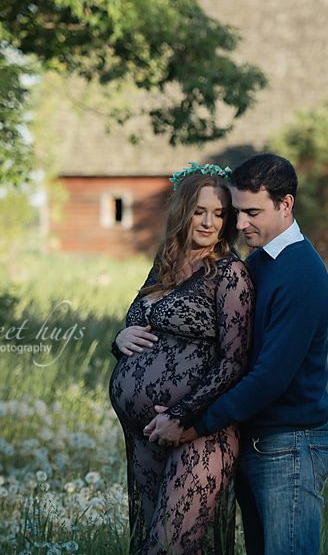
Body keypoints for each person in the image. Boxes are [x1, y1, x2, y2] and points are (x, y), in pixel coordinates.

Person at [144, 153, 328, 555]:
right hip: (255, 438)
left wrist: (193, 425)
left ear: (285, 205)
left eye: (253, 212)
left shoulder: (300, 274)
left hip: (289, 445)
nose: (241, 223)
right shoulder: (260, 261)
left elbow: (268, 378)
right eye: (238, 212)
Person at [109, 165, 254, 555]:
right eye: (199, 211)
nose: (208, 222)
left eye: (219, 214)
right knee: (156, 542)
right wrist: (118, 339)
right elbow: (136, 325)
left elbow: (234, 361)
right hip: (146, 435)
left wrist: (181, 414)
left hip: (198, 434)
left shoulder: (229, 273)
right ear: (182, 211)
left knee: (165, 547)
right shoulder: (165, 265)